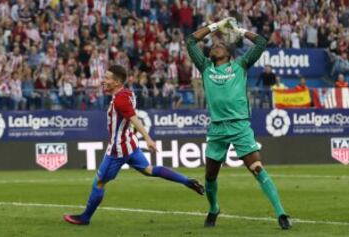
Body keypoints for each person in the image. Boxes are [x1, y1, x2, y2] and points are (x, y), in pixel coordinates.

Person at [63, 65, 204, 225]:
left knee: (100, 182)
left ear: (116, 82)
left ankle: (85, 218)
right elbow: (122, 103)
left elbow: (134, 119)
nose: (104, 80)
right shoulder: (128, 93)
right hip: (130, 143)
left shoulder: (120, 100)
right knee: (149, 170)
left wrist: (148, 139)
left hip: (118, 149)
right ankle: (186, 181)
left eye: (108, 78)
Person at [186, 17, 291, 229]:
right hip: (217, 128)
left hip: (240, 126)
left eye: (220, 44)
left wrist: (238, 30)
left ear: (229, 53)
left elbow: (261, 43)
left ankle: (281, 213)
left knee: (257, 169)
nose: (215, 46)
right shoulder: (205, 67)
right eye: (213, 45)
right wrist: (215, 26)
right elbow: (190, 41)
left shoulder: (240, 65)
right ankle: (214, 207)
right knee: (210, 176)